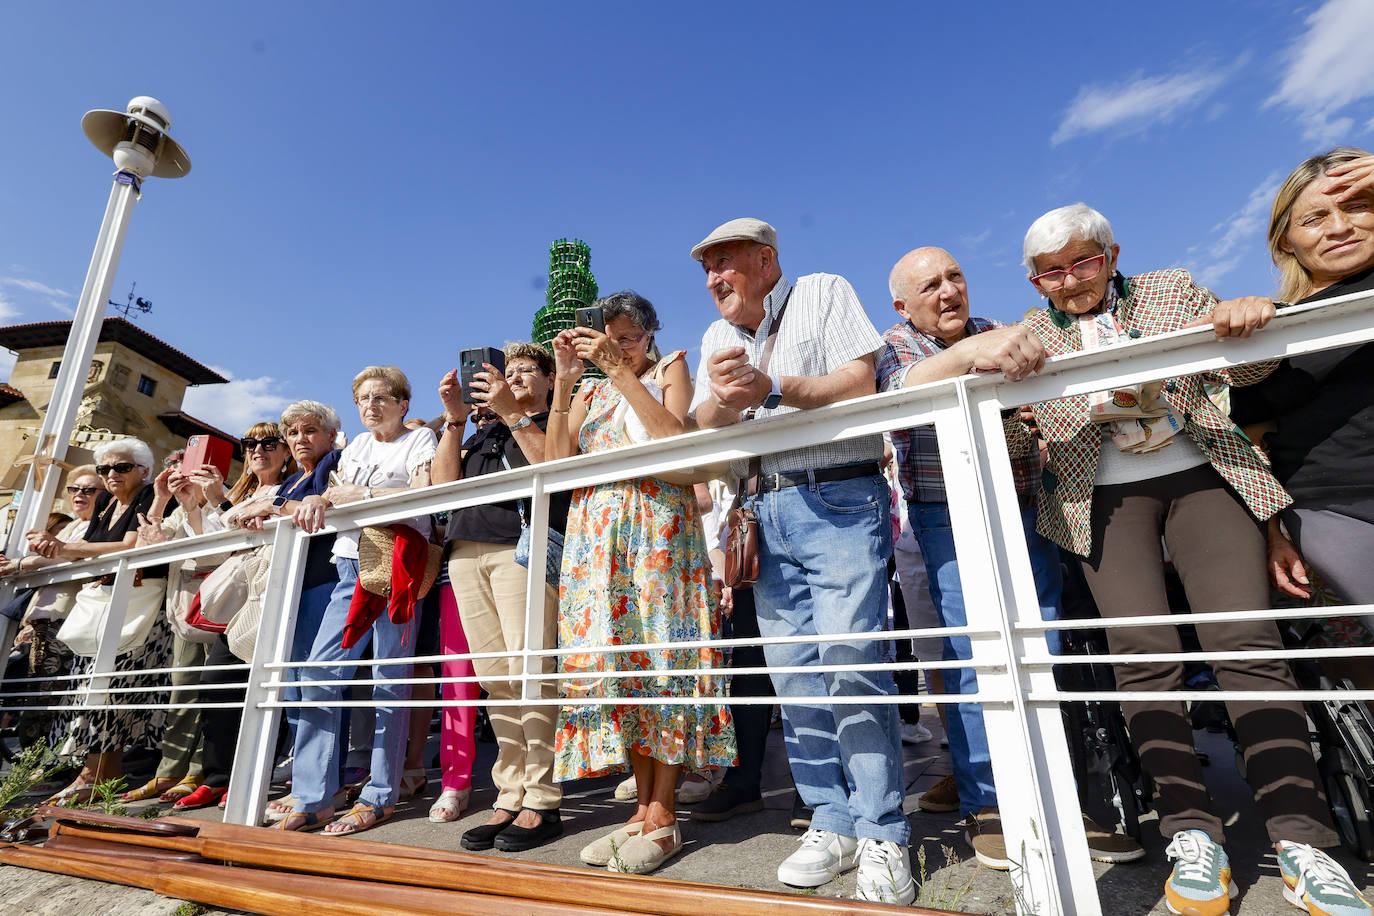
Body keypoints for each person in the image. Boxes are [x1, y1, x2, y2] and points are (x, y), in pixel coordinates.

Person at [1018, 203, 1362, 915]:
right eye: (1052, 272)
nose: (1070, 280)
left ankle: (1305, 841)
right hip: (1101, 497)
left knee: (1246, 641)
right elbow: (1024, 446)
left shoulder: (1171, 288)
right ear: (1034, 281)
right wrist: (1013, 407)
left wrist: (1248, 318)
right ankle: (1191, 835)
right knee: (1141, 655)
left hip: (1204, 475)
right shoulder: (1025, 336)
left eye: (1083, 262)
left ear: (1111, 256)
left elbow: (1257, 368)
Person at [876, 246, 1141, 867]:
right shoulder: (893, 345)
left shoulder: (1003, 330)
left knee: (1041, 647)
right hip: (946, 516)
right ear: (902, 305)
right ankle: (987, 806)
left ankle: (1058, 799)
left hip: (1023, 505)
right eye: (931, 285)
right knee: (974, 658)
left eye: (955, 277)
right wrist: (972, 359)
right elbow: (900, 389)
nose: (948, 292)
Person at [691, 218, 913, 905]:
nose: (712, 279)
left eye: (724, 263)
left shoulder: (821, 290)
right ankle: (831, 818)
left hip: (840, 493)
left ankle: (884, 831)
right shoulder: (716, 338)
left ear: (765, 261)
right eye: (706, 269)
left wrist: (773, 386)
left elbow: (858, 378)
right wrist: (728, 405)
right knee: (795, 677)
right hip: (764, 508)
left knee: (852, 663)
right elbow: (703, 421)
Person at [546, 290, 735, 875]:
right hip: (596, 537)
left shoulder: (667, 366)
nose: (617, 346)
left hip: (657, 531)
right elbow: (556, 461)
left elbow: (671, 435)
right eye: (609, 337)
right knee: (618, 663)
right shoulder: (589, 387)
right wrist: (563, 381)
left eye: (627, 337)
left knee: (663, 658)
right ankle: (639, 808)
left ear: (648, 335)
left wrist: (621, 370)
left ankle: (664, 812)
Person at [272, 368, 436, 835]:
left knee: (390, 677)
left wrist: (361, 494)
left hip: (396, 566)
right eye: (363, 398)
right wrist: (321, 500)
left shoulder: (420, 441)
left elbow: (424, 496)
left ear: (404, 403)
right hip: (349, 564)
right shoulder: (355, 448)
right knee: (317, 674)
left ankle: (380, 794)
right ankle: (313, 795)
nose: (371, 405)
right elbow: (332, 496)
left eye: (382, 396)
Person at [431, 342, 566, 848]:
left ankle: (543, 800)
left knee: (530, 673)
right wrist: (453, 420)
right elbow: (442, 487)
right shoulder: (480, 428)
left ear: (550, 378)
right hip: (466, 552)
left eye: (525, 370)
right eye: (504, 373)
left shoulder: (554, 417)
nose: (511, 379)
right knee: (495, 677)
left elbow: (554, 468)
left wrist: (511, 411)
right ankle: (509, 794)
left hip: (522, 550)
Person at [1232, 148, 1374, 616]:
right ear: (1287, 241)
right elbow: (1251, 441)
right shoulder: (1274, 329)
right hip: (1333, 508)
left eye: (1357, 206)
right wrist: (1275, 532)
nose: (1339, 228)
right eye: (1315, 218)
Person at [190, 402, 351, 814]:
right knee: (295, 689)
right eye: (293, 433)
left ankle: (322, 788)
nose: (300, 440)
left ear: (332, 435)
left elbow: (334, 502)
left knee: (316, 686)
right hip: (291, 589)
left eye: (309, 431)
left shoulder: (335, 461)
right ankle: (306, 783)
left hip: (324, 583)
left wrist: (274, 508)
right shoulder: (295, 481)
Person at [135, 422, 296, 810]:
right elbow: (210, 550)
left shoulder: (289, 489)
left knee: (266, 689)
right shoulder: (239, 491)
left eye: (270, 443)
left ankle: (250, 773)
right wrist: (193, 504)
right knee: (216, 685)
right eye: (251, 443)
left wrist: (216, 499)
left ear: (286, 451)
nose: (258, 449)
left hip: (268, 594)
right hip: (231, 600)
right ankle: (217, 776)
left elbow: (243, 534)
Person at [27, 438, 172, 806]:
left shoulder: (149, 496)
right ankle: (95, 774)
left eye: (120, 468)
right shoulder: (106, 502)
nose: (110, 475)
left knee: (112, 690)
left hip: (138, 605)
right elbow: (90, 549)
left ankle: (94, 776)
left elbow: (129, 545)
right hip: (104, 604)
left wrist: (63, 547)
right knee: (91, 689)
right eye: (105, 468)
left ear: (143, 470)